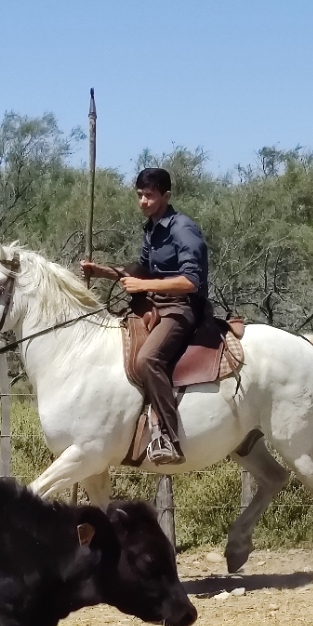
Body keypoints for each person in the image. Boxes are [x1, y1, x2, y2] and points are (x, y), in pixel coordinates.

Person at [82, 168, 208, 464]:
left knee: (148, 359)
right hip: (152, 303)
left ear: (166, 196)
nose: (142, 201)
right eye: (139, 195)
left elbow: (191, 281)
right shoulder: (151, 228)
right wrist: (103, 272)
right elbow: (142, 270)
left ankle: (168, 437)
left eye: (149, 196)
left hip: (181, 308)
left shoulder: (182, 229)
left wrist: (143, 285)